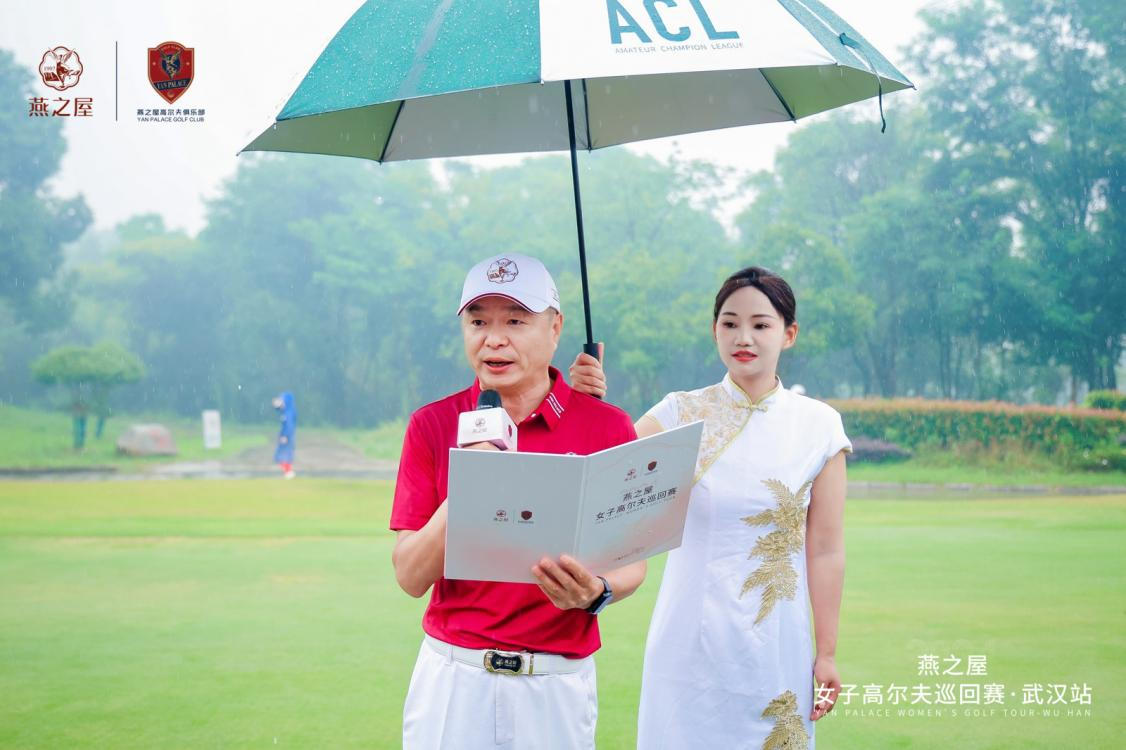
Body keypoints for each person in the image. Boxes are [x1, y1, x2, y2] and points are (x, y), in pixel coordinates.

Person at [569, 266, 850, 749]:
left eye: (761, 324)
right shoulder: (679, 413)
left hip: (776, 647)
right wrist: (584, 404)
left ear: (789, 334)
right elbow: (601, 476)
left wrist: (826, 653)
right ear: (714, 330)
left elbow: (825, 549)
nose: (744, 337)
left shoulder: (819, 426)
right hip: (688, 646)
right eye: (730, 323)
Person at [390, 252, 647, 750]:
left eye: (515, 320)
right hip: (453, 679)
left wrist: (596, 592)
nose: (494, 339)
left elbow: (630, 564)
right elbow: (409, 576)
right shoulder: (432, 424)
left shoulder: (607, 426)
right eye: (478, 321)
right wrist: (473, 484)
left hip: (555, 685)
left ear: (555, 328)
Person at [271, 391, 296, 479]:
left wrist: (285, 436)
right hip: (285, 436)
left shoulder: (288, 412)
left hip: (287, 437)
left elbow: (289, 426)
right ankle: (288, 472)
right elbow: (278, 407)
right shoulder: (285, 411)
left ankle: (289, 472)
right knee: (281, 456)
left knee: (283, 455)